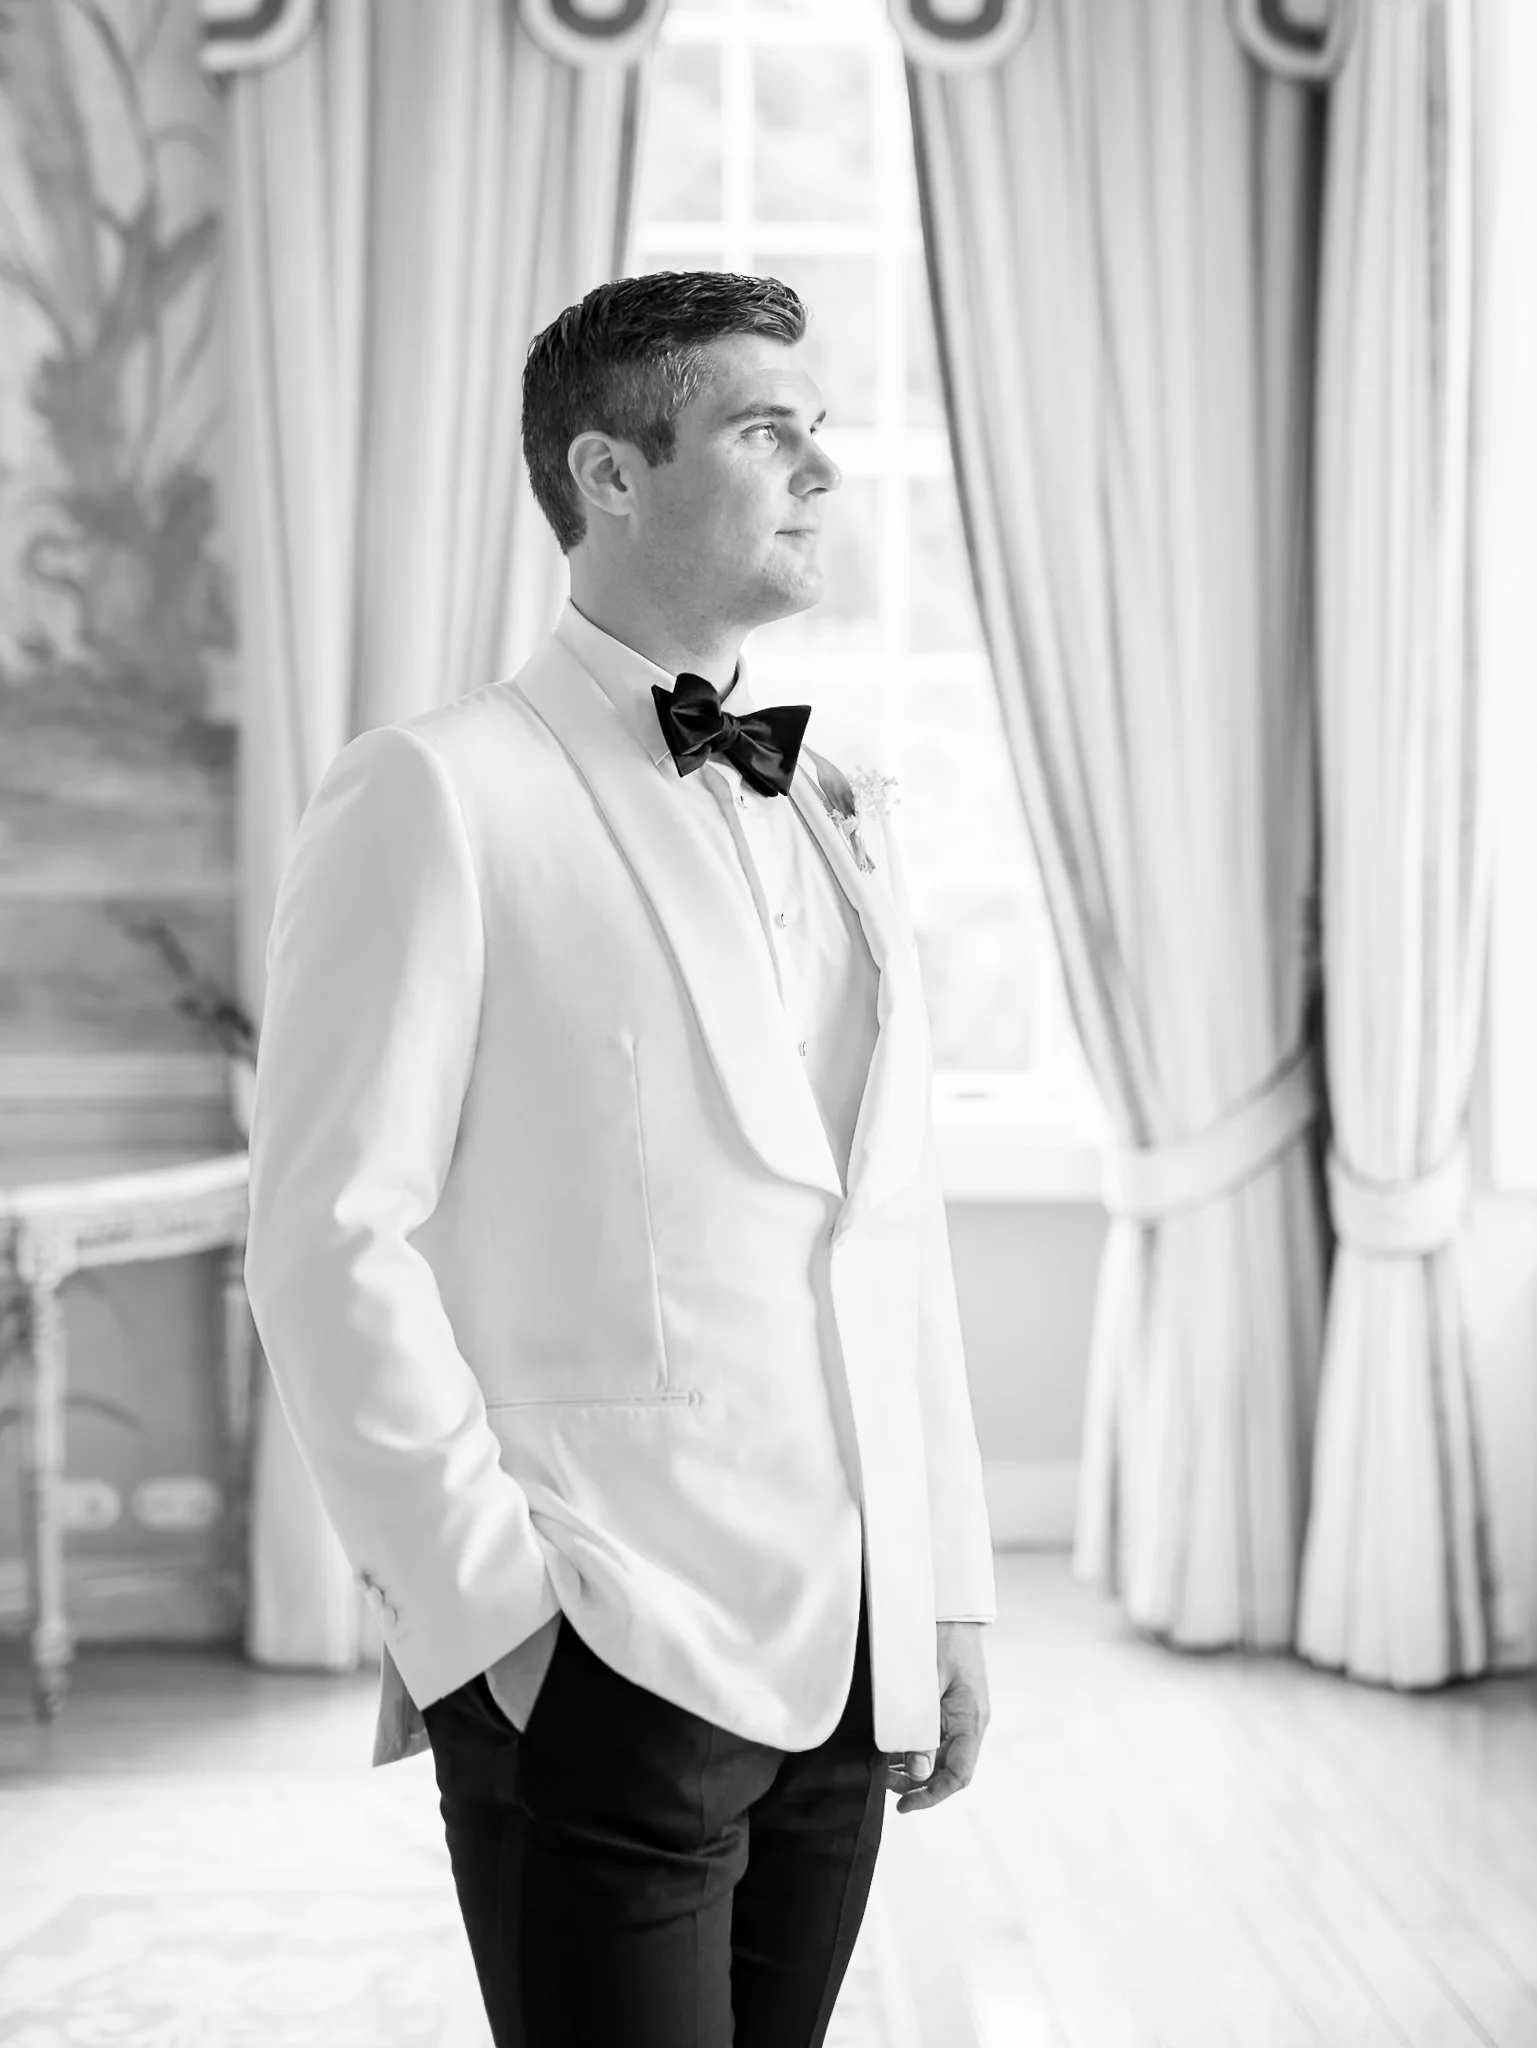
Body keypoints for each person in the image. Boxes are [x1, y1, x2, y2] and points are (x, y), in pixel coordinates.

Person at [243, 270, 996, 2048]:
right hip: (597, 1638)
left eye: (821, 430)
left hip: (848, 1647)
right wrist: (496, 1626)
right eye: (767, 429)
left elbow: (890, 1233)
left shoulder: (838, 796)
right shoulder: (435, 792)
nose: (822, 468)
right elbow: (329, 1235)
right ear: (609, 470)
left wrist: (946, 1590)